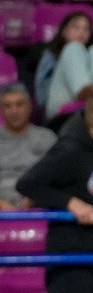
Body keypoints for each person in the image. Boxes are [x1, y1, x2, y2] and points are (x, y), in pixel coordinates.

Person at [16, 89, 93, 293]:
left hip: (92, 251)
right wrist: (69, 202)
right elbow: (27, 184)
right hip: (68, 256)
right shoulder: (69, 150)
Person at [34, 12, 93, 122]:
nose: (81, 32)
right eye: (76, 27)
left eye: (86, 29)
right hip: (62, 106)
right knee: (73, 48)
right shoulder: (51, 54)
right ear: (64, 31)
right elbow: (41, 97)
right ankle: (87, 95)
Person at [0, 83, 56, 211]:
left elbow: (58, 176)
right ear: (1, 110)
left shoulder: (47, 138)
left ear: (30, 106)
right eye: (8, 106)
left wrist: (34, 200)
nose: (14, 111)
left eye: (19, 104)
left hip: (39, 205)